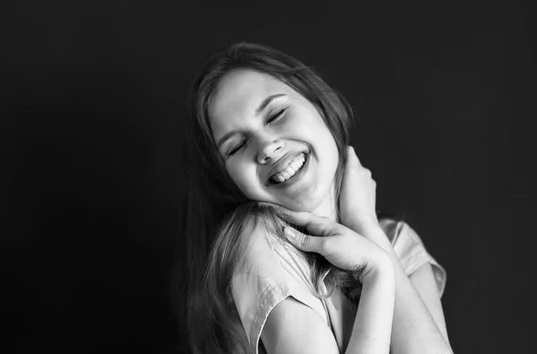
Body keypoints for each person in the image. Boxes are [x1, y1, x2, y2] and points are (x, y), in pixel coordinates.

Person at [172, 42, 452, 354]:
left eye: (276, 113)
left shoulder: (397, 243)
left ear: (320, 104)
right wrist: (377, 276)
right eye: (236, 146)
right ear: (229, 180)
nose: (266, 147)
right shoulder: (257, 242)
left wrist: (366, 229)